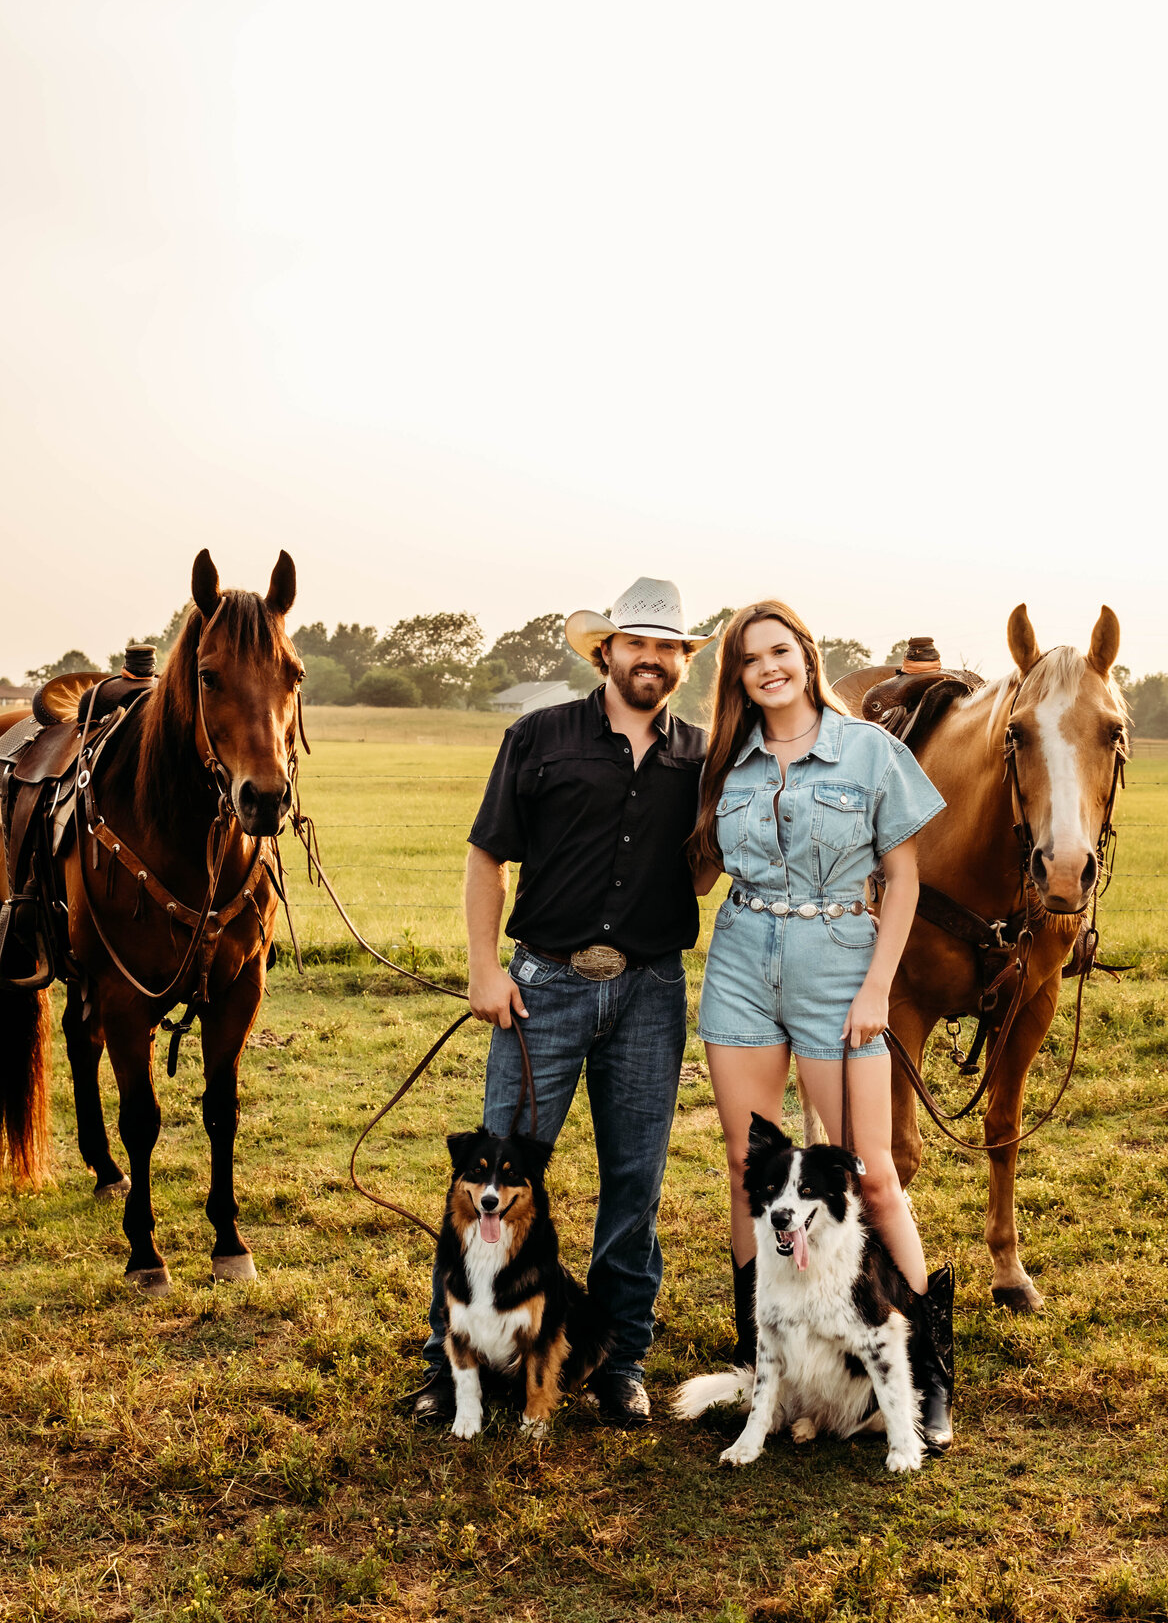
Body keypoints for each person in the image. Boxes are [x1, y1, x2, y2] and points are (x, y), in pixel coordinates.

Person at [409, 578, 715, 1426]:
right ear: (606, 652)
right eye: (636, 644)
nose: (651, 659)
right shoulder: (539, 735)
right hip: (540, 987)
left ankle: (618, 1358)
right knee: (489, 1179)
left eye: (668, 648)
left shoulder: (700, 755)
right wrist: (484, 967)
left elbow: (704, 863)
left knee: (634, 1182)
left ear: (683, 663)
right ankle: (451, 1355)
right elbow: (486, 857)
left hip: (651, 990)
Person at [689, 600, 954, 1450]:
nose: (767, 667)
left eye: (779, 650)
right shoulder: (724, 761)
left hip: (841, 962)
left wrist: (878, 985)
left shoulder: (871, 750)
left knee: (871, 1173)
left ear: (805, 655)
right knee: (748, 1166)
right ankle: (764, 1363)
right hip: (741, 960)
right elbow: (695, 874)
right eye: (748, 658)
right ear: (735, 676)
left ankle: (926, 1376)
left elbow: (903, 879)